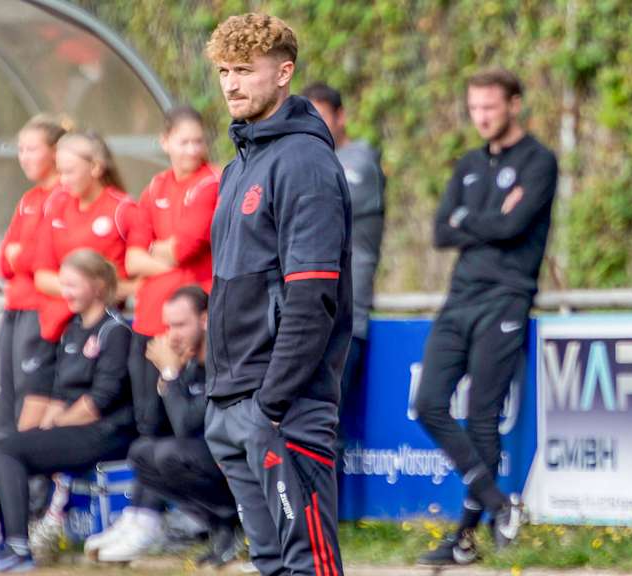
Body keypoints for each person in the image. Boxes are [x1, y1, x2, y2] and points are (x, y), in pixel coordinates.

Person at [203, 14, 352, 576]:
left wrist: (271, 403)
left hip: (283, 405)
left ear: (284, 73)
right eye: (224, 70)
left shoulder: (305, 162)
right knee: (270, 561)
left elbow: (313, 299)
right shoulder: (238, 165)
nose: (231, 84)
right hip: (232, 400)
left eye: (245, 69)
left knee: (307, 563)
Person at [414, 68, 558, 566]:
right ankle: (501, 505)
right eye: (474, 108)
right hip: (460, 298)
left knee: (482, 418)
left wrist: (470, 222)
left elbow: (515, 226)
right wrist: (489, 222)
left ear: (514, 105)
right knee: (428, 402)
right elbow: (440, 231)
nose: (481, 117)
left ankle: (463, 541)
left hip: (506, 297)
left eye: (490, 108)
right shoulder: (469, 163)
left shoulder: (539, 161)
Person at [0, 249, 135, 574]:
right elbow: (60, 393)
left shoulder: (114, 332)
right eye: (64, 285)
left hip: (106, 433)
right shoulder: (73, 329)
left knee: (8, 451)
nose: (66, 292)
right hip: (75, 427)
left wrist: (55, 425)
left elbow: (100, 401)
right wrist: (44, 428)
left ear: (99, 286)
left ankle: (19, 549)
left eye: (73, 285)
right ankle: (7, 542)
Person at [114, 105, 221, 548]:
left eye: (198, 141)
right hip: (148, 320)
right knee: (147, 423)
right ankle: (143, 516)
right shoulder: (155, 186)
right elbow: (131, 257)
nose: (191, 149)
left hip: (187, 325)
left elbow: (186, 248)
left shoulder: (212, 182)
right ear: (165, 142)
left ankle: (182, 515)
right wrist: (158, 253)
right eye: (183, 141)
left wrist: (156, 254)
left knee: (182, 422)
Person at [93, 286, 240, 565]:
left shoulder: (223, 361)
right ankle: (220, 527)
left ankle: (233, 520)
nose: (173, 334)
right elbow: (152, 424)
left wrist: (171, 374)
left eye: (181, 325)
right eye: (169, 325)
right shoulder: (189, 360)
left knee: (169, 454)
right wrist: (171, 373)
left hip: (237, 463)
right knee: (141, 452)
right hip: (207, 458)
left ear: (205, 319)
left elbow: (186, 425)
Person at [27, 130, 135, 432]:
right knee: (27, 427)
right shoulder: (58, 205)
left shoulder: (122, 208)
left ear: (96, 168)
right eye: (59, 171)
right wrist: (81, 289)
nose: (61, 180)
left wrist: (97, 292)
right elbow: (41, 274)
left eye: (68, 171)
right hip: (55, 327)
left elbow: (139, 276)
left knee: (57, 427)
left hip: (98, 331)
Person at [301, 81, 385, 456]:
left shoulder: (359, 165)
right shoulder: (308, 163)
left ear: (341, 118)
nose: (314, 126)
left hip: (346, 319)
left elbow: (314, 209)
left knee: (323, 425)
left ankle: (323, 516)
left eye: (321, 117)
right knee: (300, 424)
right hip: (310, 316)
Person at [0, 115, 68, 437]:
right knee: (6, 396)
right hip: (15, 306)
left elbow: (41, 258)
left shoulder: (63, 195)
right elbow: (4, 262)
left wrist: (20, 255)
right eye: (20, 150)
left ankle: (32, 482)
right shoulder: (29, 198)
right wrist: (20, 256)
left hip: (41, 310)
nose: (23, 157)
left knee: (30, 398)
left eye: (31, 149)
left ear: (54, 152)